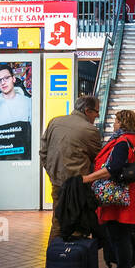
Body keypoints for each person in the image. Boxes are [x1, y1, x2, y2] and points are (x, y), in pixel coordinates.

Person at [83, 109, 135, 268]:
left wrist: (87, 179)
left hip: (120, 198)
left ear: (122, 123)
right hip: (133, 195)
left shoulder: (122, 142)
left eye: (116, 121)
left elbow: (111, 169)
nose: (114, 124)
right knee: (124, 237)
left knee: (120, 239)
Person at [41, 96, 102, 237]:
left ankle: (54, 257)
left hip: (57, 183)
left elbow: (43, 152)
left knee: (57, 223)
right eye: (96, 112)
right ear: (87, 111)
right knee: (78, 224)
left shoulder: (54, 122)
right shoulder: (90, 130)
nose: (97, 115)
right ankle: (73, 256)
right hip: (78, 186)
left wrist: (53, 174)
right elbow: (98, 158)